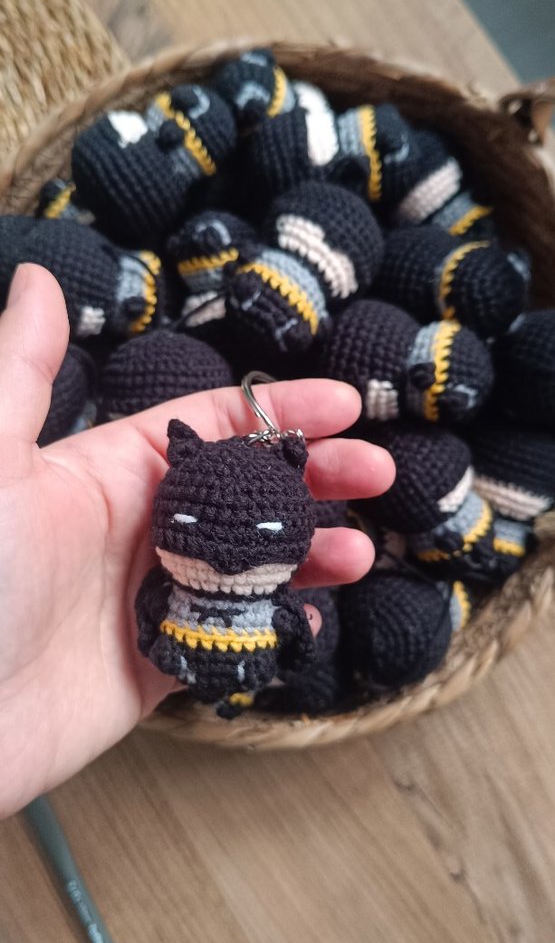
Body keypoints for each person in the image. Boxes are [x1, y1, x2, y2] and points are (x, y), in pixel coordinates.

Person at [0, 264, 395, 819]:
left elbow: (172, 608)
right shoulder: (179, 569)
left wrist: (290, 641)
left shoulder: (249, 572)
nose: (228, 560)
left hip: (208, 655)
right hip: (186, 653)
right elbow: (158, 604)